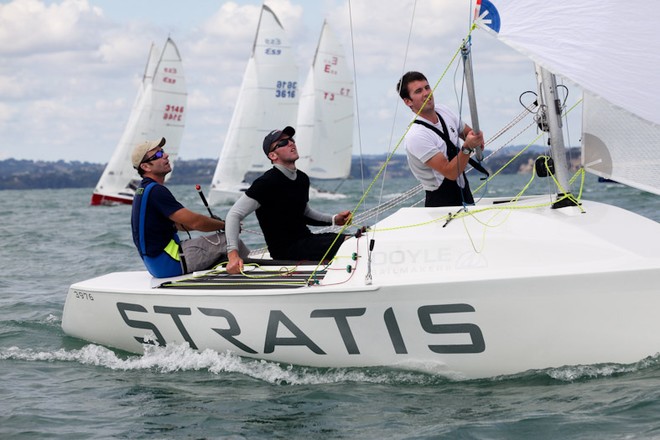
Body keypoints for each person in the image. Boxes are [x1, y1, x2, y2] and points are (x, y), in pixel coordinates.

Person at [224, 126, 352, 274]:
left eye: (291, 140)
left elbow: (304, 212)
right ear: (273, 156)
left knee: (357, 238)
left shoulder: (302, 178)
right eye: (283, 143)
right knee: (349, 243)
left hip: (307, 241)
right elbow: (234, 214)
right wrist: (233, 255)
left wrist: (335, 219)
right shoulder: (266, 182)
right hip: (285, 251)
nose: (291, 143)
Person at [130, 137, 249, 278]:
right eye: (158, 154)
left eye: (163, 151)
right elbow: (195, 222)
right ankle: (258, 271)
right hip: (171, 263)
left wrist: (215, 224)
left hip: (157, 265)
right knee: (227, 240)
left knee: (221, 243)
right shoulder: (156, 191)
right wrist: (227, 225)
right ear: (146, 167)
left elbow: (181, 225)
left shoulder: (143, 189)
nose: (166, 155)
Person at [397, 71, 486, 207]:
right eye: (418, 91)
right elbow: (450, 172)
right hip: (440, 201)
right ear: (408, 101)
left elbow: (468, 132)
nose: (426, 93)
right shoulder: (416, 135)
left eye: (427, 87)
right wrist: (468, 147)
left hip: (464, 191)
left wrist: (477, 137)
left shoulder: (443, 111)